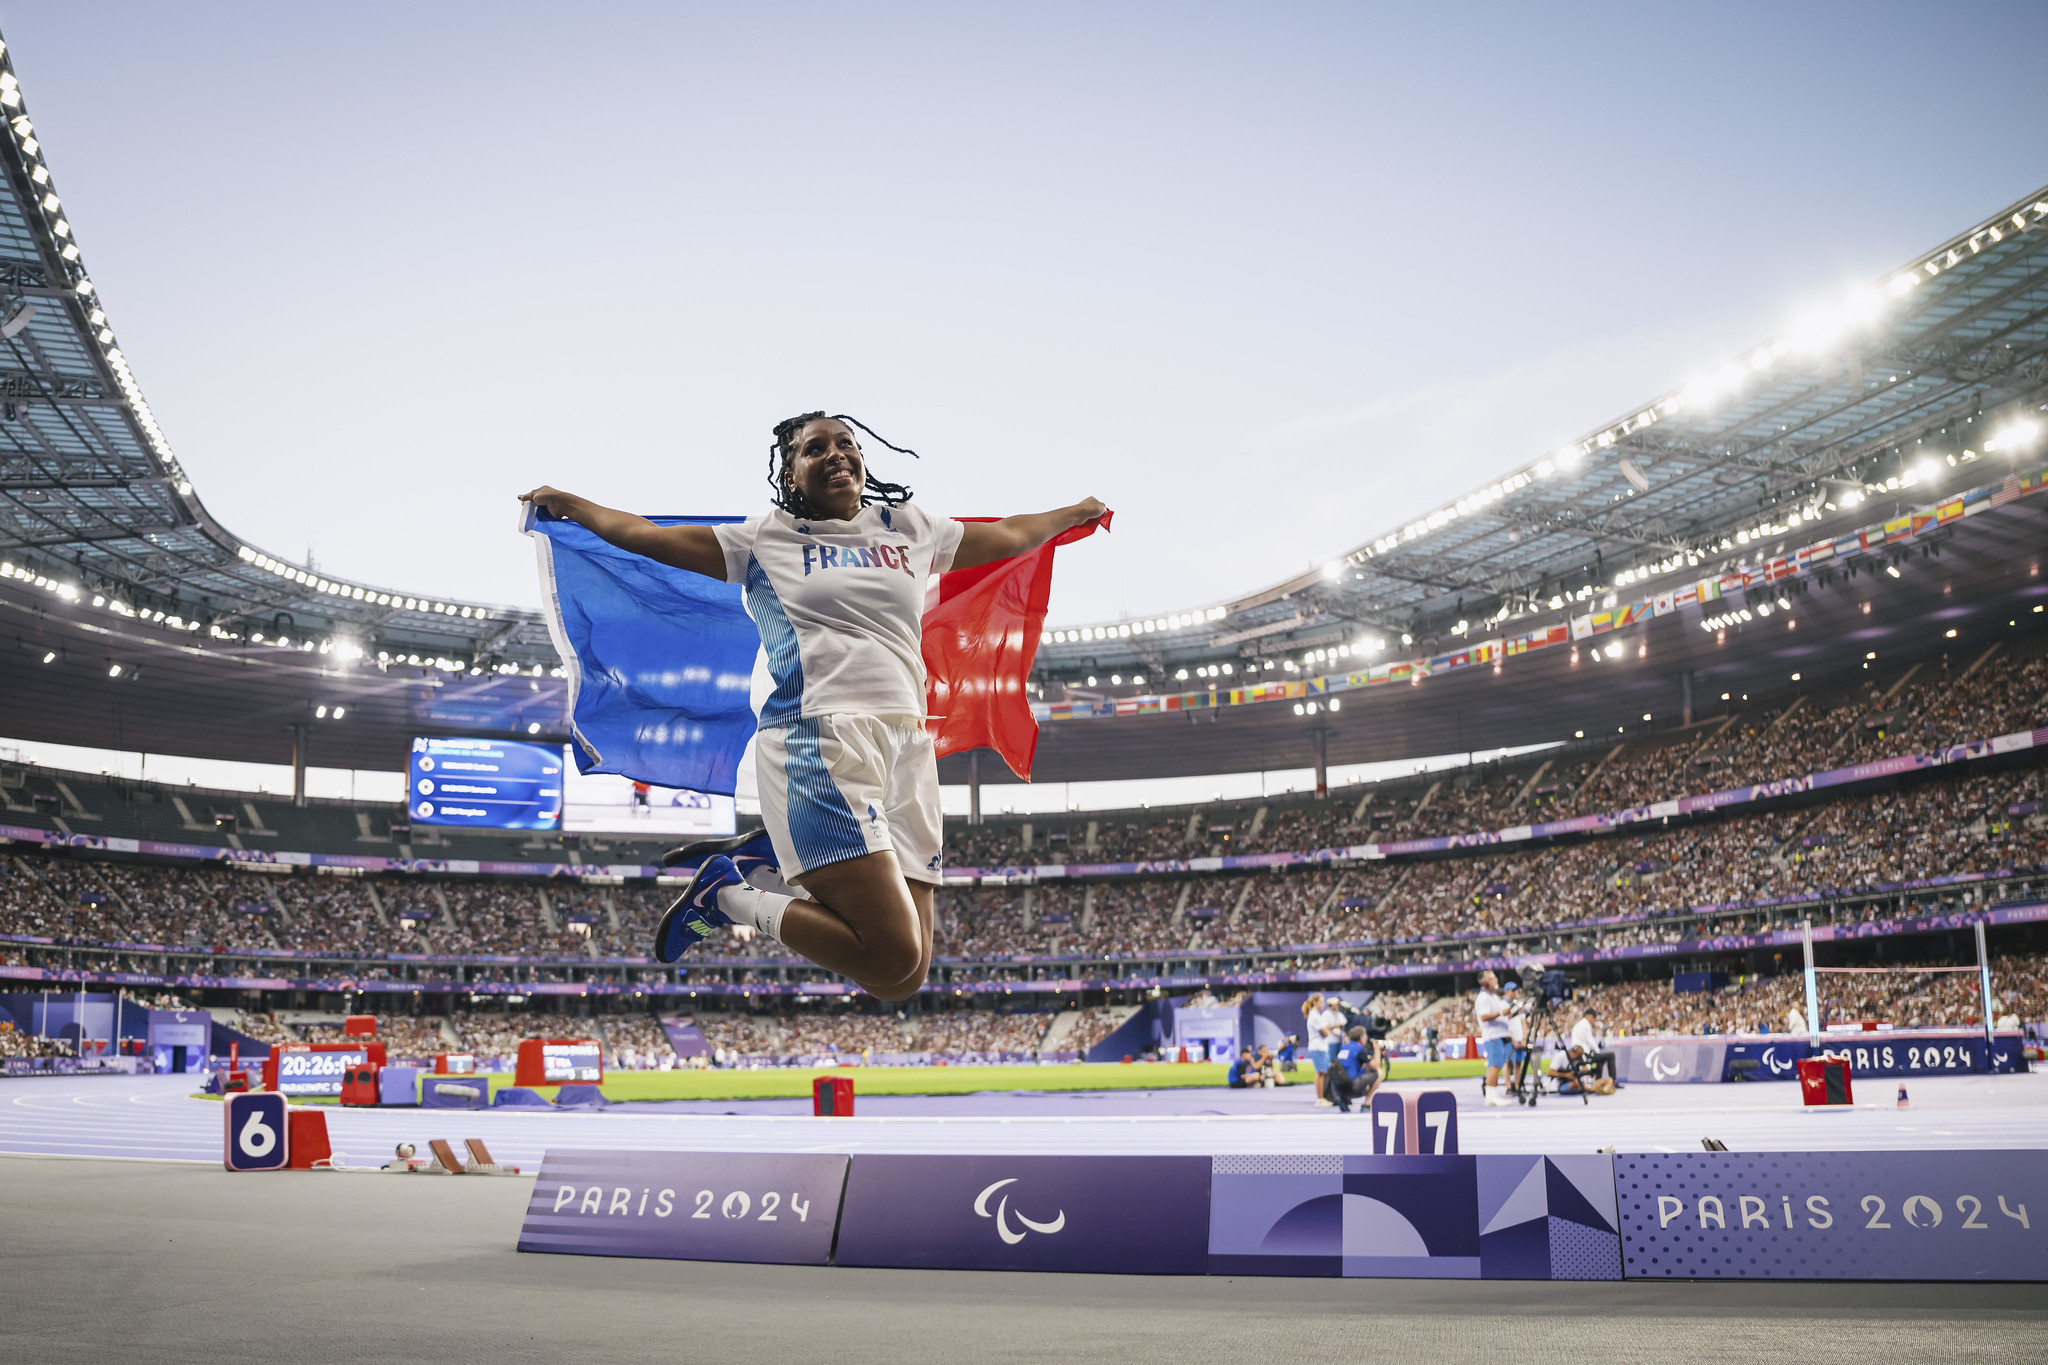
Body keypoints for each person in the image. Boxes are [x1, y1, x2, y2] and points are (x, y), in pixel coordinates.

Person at [522, 413, 1104, 1002]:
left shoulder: (910, 527)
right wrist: (574, 504)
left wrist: (1073, 513)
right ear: (791, 475)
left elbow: (1007, 535)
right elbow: (646, 536)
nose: (836, 454)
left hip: (907, 743)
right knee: (889, 952)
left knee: (902, 977)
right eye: (814, 449)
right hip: (819, 740)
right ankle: (726, 894)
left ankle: (770, 868)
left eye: (846, 443)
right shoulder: (763, 539)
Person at [1474, 970, 1513, 1106]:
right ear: (1484, 983)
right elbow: (1484, 1017)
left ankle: (1493, 1095)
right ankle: (1491, 1096)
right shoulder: (1484, 998)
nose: (1495, 980)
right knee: (1495, 1066)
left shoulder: (1493, 997)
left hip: (1499, 1035)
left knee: (1497, 1065)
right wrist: (1501, 1012)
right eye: (1492, 978)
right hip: (1492, 1035)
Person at [1327, 1026, 1383, 1112]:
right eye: (1365, 1036)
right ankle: (1366, 1104)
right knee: (1379, 1073)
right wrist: (1377, 1050)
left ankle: (1343, 1098)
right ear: (1361, 1038)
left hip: (1336, 1088)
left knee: (1357, 1072)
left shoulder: (1345, 1047)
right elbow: (1375, 1066)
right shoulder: (1359, 1049)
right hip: (1351, 1088)